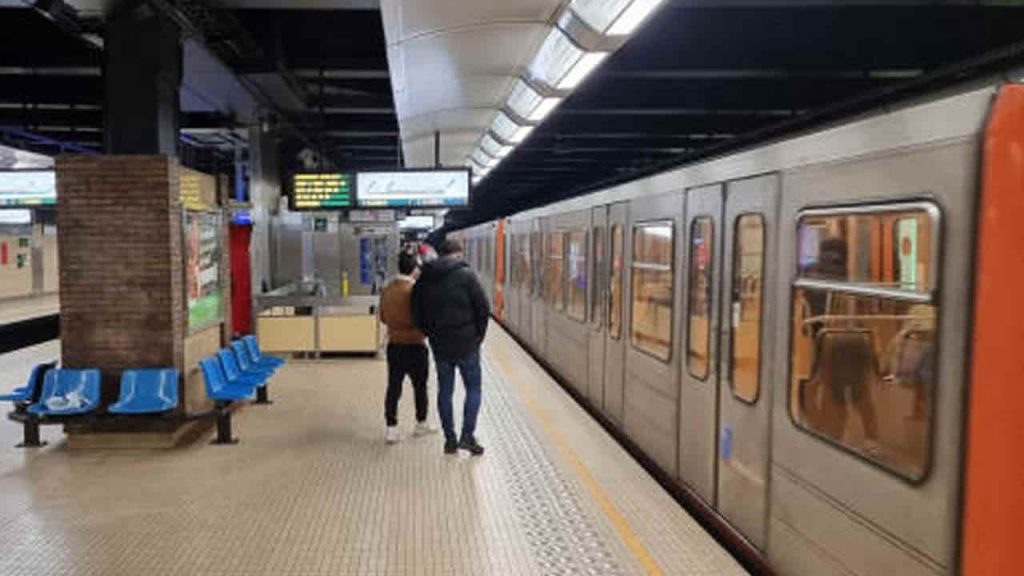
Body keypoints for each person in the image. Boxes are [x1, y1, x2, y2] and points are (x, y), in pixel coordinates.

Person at [412, 238, 490, 455]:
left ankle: (450, 440)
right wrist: (478, 336)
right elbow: (483, 308)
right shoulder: (466, 276)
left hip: (440, 345)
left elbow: (416, 312)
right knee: (473, 389)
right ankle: (467, 436)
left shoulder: (425, 278)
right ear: (457, 253)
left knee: (445, 391)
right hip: (467, 344)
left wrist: (429, 333)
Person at [379, 251, 435, 444]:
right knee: (420, 387)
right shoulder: (416, 290)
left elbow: (383, 318)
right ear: (414, 269)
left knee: (393, 387)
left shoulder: (387, 290)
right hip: (416, 345)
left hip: (394, 345)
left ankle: (391, 428)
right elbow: (424, 318)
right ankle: (421, 423)